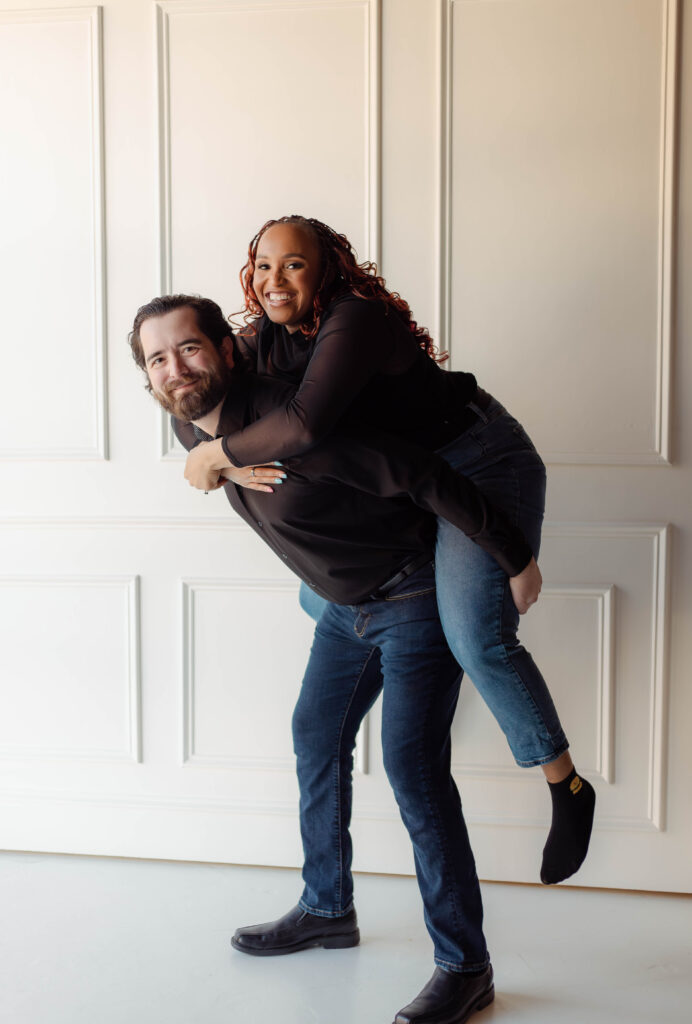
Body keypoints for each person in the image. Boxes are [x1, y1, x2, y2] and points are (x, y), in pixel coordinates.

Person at [128, 292, 549, 1023]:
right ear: (148, 379)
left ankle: (465, 966)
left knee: (412, 770)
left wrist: (515, 558)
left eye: (190, 348)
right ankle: (327, 908)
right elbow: (203, 447)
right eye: (158, 358)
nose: (176, 368)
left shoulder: (294, 424)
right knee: (315, 736)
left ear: (228, 350)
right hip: (344, 610)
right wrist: (217, 464)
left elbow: (424, 476)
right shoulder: (189, 422)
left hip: (412, 598)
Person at [182, 215, 596, 888]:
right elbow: (197, 389)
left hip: (475, 461)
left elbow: (306, 424)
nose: (273, 279)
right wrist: (215, 461)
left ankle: (565, 784)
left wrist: (514, 556)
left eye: (292, 264)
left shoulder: (354, 319)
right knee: (319, 593)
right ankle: (414, 673)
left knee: (477, 638)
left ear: (326, 268)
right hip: (405, 477)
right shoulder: (261, 337)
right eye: (262, 265)